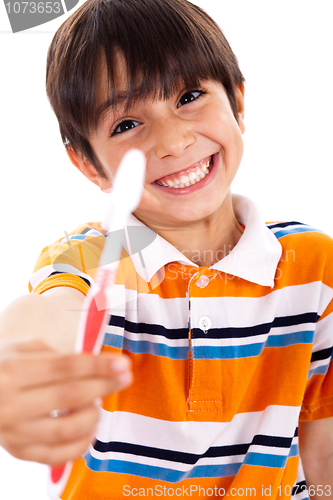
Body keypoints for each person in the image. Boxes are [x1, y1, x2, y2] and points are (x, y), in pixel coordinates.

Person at [0, 0, 332, 498]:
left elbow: (323, 452)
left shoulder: (315, 267)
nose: (173, 142)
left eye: (190, 96)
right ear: (89, 165)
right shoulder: (92, 256)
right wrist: (18, 365)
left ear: (238, 104)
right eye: (126, 125)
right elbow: (53, 312)